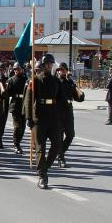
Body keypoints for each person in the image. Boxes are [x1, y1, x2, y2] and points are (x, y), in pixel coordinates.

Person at [25, 54, 64, 189]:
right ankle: (42, 176)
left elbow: (62, 100)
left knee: (57, 145)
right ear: (42, 65)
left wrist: (63, 117)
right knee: (40, 147)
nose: (49, 66)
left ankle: (44, 167)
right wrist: (29, 118)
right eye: (46, 64)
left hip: (53, 116)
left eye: (50, 64)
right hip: (39, 116)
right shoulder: (35, 80)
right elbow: (29, 100)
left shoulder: (56, 81)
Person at [55, 62, 85, 167]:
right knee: (58, 136)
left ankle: (60, 152)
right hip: (57, 110)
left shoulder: (70, 82)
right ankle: (61, 157)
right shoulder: (56, 81)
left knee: (70, 134)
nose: (61, 71)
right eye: (59, 70)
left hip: (68, 110)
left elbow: (78, 97)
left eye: (63, 70)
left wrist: (78, 91)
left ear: (67, 70)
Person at [5, 62, 28, 154]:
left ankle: (18, 141)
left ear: (22, 70)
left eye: (18, 69)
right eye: (15, 69)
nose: (16, 71)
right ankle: (16, 144)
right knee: (18, 127)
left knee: (22, 127)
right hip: (15, 105)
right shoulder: (11, 80)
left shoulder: (26, 80)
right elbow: (8, 93)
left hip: (24, 104)